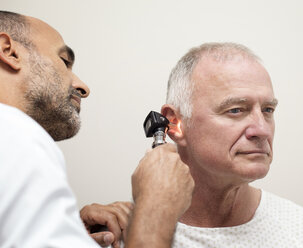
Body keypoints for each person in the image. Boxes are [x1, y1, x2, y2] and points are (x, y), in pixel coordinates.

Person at [84, 42, 303, 247]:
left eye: (267, 110)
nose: (261, 129)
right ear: (175, 123)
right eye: (235, 110)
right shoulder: (112, 233)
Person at [0, 10, 194, 248]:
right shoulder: (15, 132)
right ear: (8, 50)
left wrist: (69, 231)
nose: (83, 87)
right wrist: (157, 207)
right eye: (64, 62)